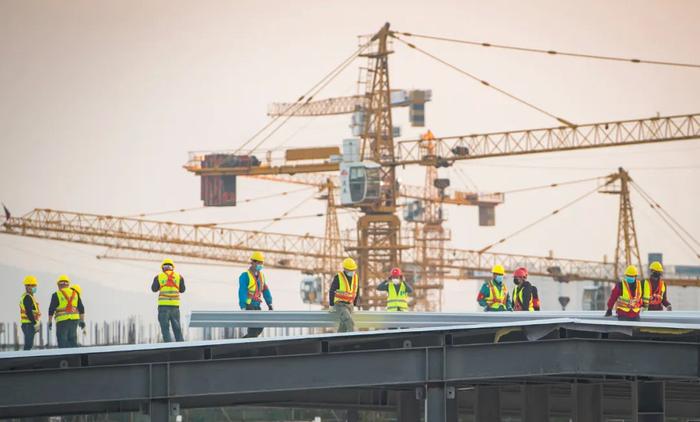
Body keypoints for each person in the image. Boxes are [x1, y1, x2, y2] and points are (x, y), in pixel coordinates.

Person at [238, 251, 273, 338]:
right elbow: (242, 291)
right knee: (253, 331)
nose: (261, 264)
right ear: (253, 262)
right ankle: (243, 346)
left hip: (257, 306)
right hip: (249, 305)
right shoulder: (245, 275)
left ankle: (242, 342)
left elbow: (265, 289)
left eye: (262, 263)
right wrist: (243, 306)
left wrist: (270, 303)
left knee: (260, 327)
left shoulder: (261, 275)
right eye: (259, 262)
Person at [151, 258, 185, 342]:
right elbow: (182, 290)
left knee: (165, 329)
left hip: (163, 307)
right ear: (172, 267)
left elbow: (154, 289)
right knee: (177, 329)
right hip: (175, 307)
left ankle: (168, 348)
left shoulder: (158, 277)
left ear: (163, 268)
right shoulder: (179, 277)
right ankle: (182, 348)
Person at [48, 274, 85, 348]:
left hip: (62, 321)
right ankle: (74, 357)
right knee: (72, 339)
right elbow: (81, 308)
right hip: (74, 320)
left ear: (59, 284)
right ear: (68, 284)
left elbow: (51, 309)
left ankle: (64, 358)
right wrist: (82, 321)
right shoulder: (75, 294)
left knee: (62, 340)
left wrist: (50, 321)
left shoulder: (56, 294)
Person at [329, 257, 360, 332]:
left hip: (350, 305)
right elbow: (332, 291)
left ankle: (337, 341)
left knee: (343, 326)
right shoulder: (338, 277)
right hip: (340, 305)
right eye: (350, 269)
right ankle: (353, 341)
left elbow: (357, 291)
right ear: (345, 269)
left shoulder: (355, 277)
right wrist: (331, 304)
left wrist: (355, 304)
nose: (352, 271)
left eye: (353, 269)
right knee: (350, 323)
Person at [19, 275, 41, 350]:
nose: (35, 287)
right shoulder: (27, 297)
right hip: (28, 324)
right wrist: (35, 323)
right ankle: (23, 360)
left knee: (29, 344)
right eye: (34, 285)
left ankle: (23, 359)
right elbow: (28, 312)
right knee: (28, 345)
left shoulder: (30, 297)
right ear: (28, 286)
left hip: (28, 324)